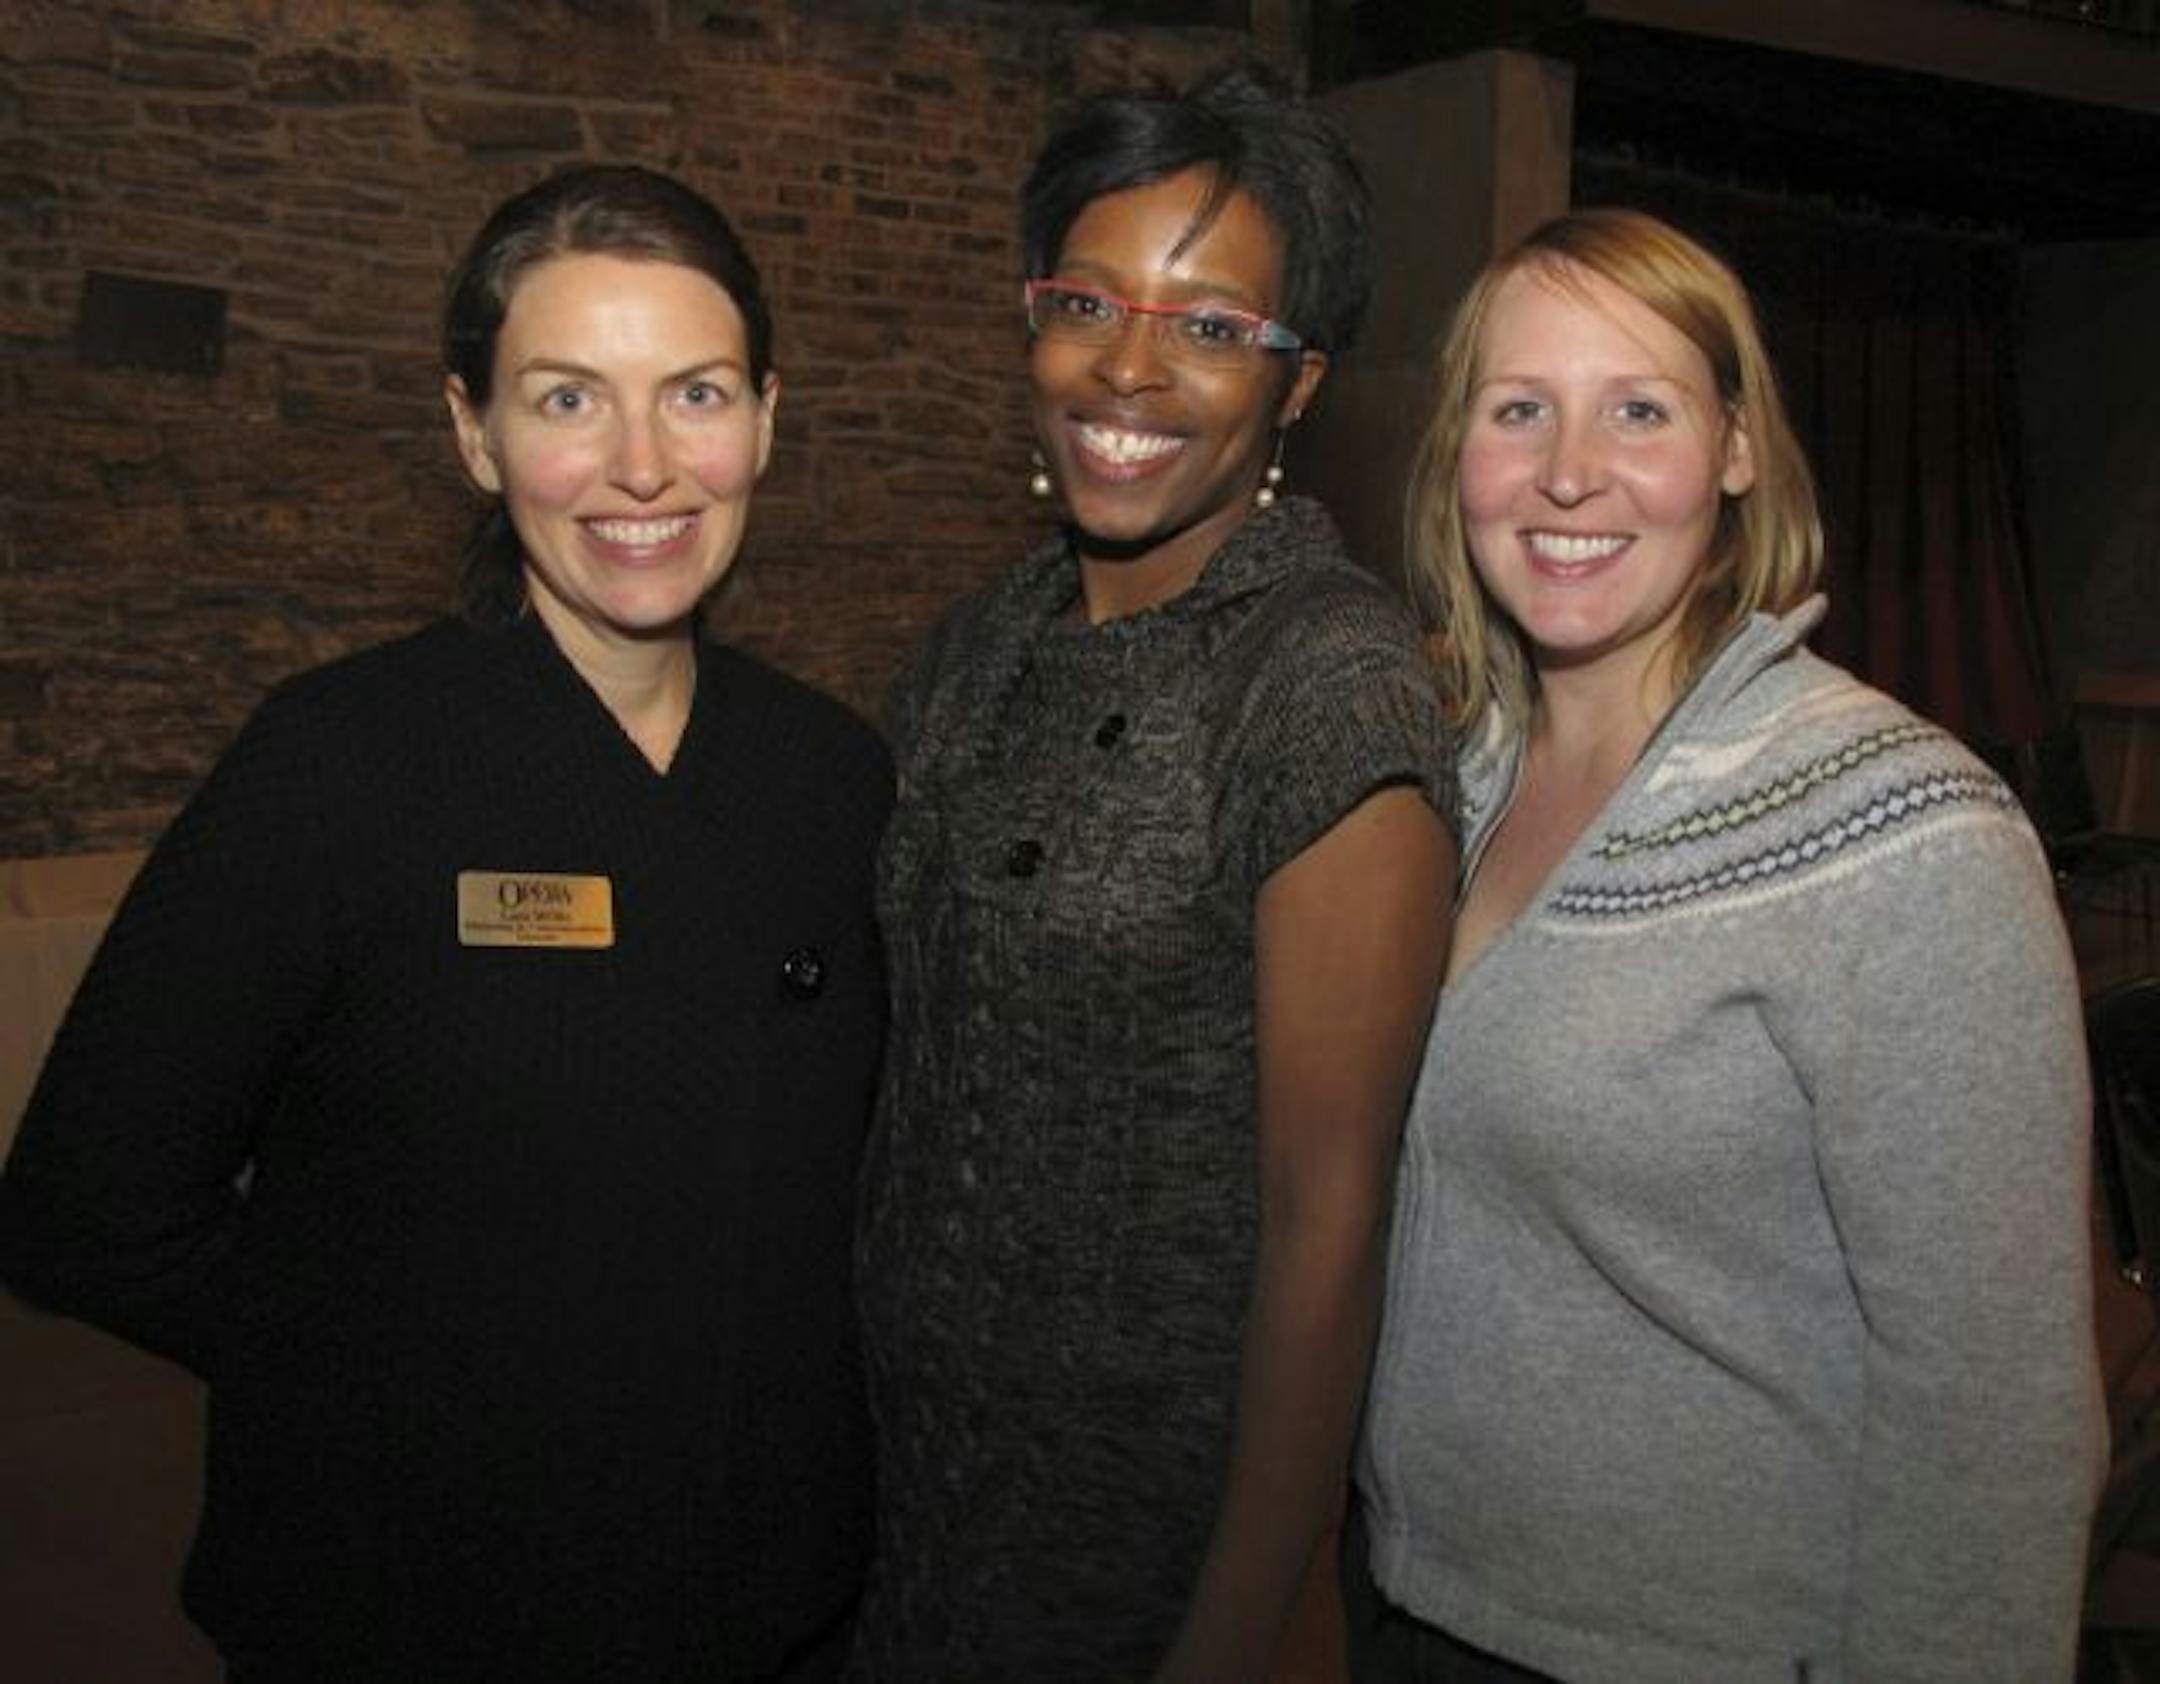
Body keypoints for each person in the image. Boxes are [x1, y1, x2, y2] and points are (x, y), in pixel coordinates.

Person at [0, 164, 890, 1683]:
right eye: (566, 400)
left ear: (765, 421)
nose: (642, 467)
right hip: (415, 1606)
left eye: (694, 394)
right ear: (474, 435)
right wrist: (400, 1377)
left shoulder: (834, 778)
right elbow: (86, 1209)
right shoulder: (338, 767)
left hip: (762, 1613)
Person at [1350, 207, 2106, 1684]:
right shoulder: (1440, 780)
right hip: (1411, 1607)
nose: (1571, 471)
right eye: (1519, 410)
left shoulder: (1904, 830)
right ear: (1459, 457)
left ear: (1737, 449)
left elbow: (1996, 1420)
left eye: (1639, 409)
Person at [848, 65, 1458, 1684]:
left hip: (1152, 1557)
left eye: (1209, 326)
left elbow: (1329, 1217)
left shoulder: (1321, 684)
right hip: (922, 1519)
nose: (1127, 366)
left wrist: (1239, 1626)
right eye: (1085, 303)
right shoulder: (975, 646)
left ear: (1297, 382)